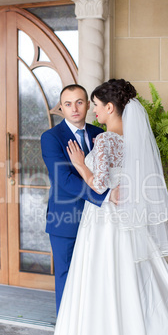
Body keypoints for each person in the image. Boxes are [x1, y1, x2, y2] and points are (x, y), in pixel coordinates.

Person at [47, 79, 168, 335]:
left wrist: (80, 164)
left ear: (109, 107)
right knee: (134, 284)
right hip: (122, 222)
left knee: (101, 285)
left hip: (104, 224)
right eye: (76, 104)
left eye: (93, 104)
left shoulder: (104, 140)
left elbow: (99, 184)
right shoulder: (132, 139)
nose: (90, 110)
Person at [41, 84, 116, 314]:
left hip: (98, 222)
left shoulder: (99, 134)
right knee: (66, 278)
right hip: (66, 221)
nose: (74, 108)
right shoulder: (51, 137)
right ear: (61, 108)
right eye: (68, 103)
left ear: (88, 105)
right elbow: (64, 180)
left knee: (94, 277)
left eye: (79, 102)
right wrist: (106, 196)